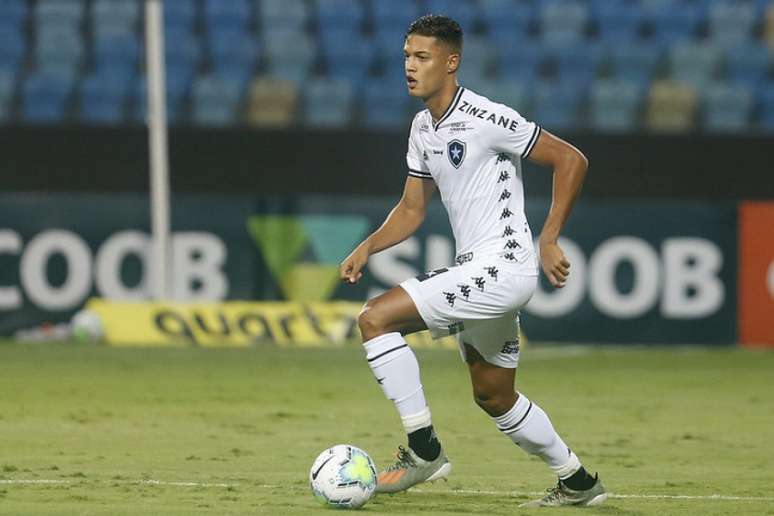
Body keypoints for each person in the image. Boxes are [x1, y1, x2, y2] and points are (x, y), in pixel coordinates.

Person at [339, 15, 606, 508]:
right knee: (494, 395)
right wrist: (369, 244)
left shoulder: (487, 118)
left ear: (451, 61)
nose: (410, 67)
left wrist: (548, 238)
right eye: (406, 57)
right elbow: (413, 208)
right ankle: (577, 481)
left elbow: (572, 159)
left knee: (374, 318)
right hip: (484, 271)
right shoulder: (423, 127)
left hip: (503, 265)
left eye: (422, 57)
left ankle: (424, 452)